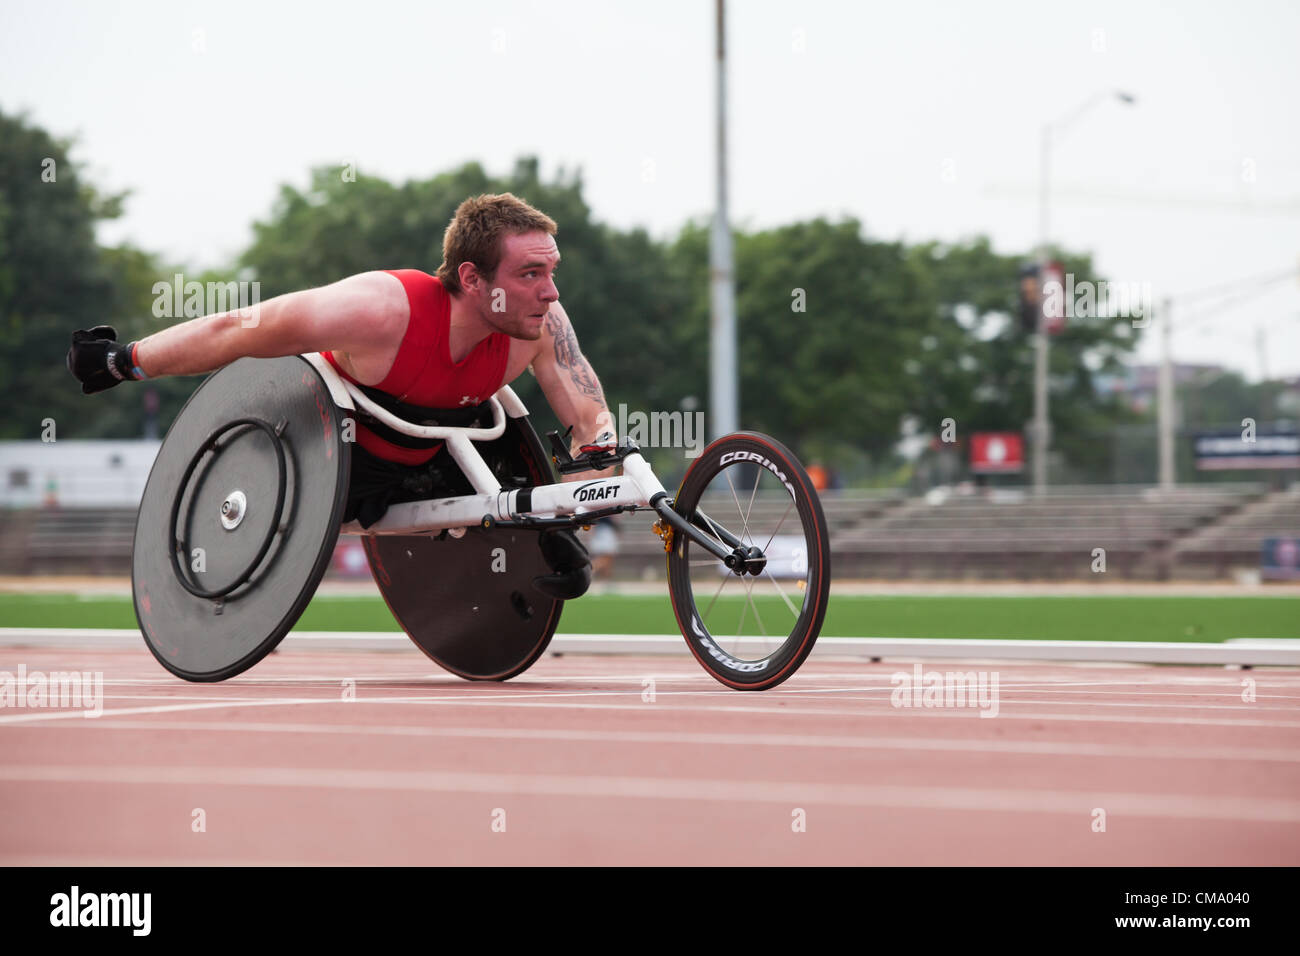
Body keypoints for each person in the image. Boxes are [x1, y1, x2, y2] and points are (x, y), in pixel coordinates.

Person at [66, 193, 616, 599]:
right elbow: (238, 328)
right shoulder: (380, 310)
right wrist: (126, 361)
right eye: (531, 273)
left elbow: (592, 424)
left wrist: (565, 515)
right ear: (472, 279)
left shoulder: (539, 323)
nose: (552, 291)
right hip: (326, 459)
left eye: (552, 271)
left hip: (431, 462)